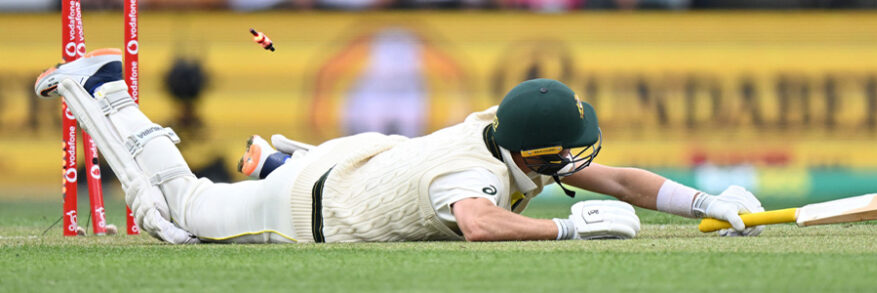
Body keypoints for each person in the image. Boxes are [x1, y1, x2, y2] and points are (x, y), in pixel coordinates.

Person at [34, 48, 764, 244]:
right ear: (534, 156)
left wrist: (704, 199)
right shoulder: (470, 174)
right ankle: (102, 89)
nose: (584, 163)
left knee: (368, 166)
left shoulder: (503, 128)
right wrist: (566, 225)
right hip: (307, 209)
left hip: (362, 160)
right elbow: (479, 222)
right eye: (570, 153)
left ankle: (283, 151)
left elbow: (622, 182)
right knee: (181, 212)